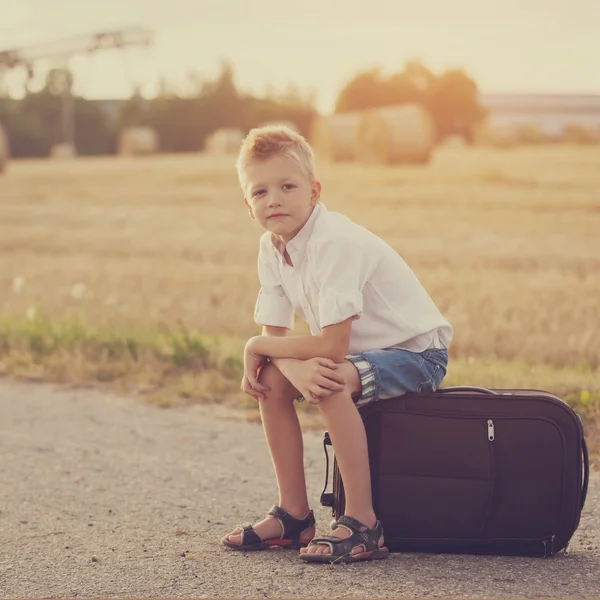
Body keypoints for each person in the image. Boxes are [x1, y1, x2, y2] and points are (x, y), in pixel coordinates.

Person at [220, 125, 452, 563]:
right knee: (268, 378)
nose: (275, 199)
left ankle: (363, 522)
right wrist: (279, 361)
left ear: (314, 191)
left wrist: (266, 349)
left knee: (327, 379)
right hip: (352, 355)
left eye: (288, 186)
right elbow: (275, 341)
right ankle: (293, 516)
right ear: (248, 205)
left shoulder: (334, 243)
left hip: (416, 355)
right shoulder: (272, 248)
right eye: (261, 191)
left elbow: (330, 345)